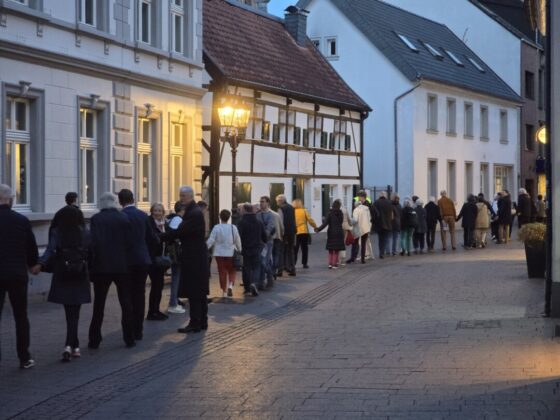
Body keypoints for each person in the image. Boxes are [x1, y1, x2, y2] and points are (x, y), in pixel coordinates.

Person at [34, 205, 90, 362]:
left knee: (68, 311)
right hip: (79, 273)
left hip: (62, 272)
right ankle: (73, 345)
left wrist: (40, 264)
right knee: (75, 312)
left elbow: (50, 250)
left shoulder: (57, 232)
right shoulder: (85, 232)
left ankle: (70, 345)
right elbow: (91, 251)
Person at [88, 192, 136, 349]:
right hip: (122, 266)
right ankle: (129, 337)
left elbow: (92, 243)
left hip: (102, 267)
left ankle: (94, 338)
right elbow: (130, 243)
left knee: (99, 303)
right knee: (126, 302)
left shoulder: (96, 219)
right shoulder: (123, 218)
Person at [0, 184, 38, 368]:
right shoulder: (21, 220)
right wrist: (32, 265)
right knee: (21, 316)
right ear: (10, 199)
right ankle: (24, 357)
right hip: (16, 274)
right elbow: (31, 247)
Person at [163, 186, 210, 333]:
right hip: (197, 254)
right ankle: (202, 321)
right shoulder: (194, 211)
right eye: (180, 195)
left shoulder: (193, 213)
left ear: (190, 196)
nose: (181, 198)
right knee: (200, 290)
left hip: (194, 256)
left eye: (183, 196)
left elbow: (182, 231)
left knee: (195, 290)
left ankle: (195, 322)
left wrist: (161, 237)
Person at [119, 189, 159, 341]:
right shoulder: (143, 216)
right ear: (133, 199)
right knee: (140, 295)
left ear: (120, 201)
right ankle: (138, 330)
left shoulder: (120, 217)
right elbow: (153, 238)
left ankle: (128, 330)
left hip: (126, 262)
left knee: (127, 296)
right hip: (142, 260)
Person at [207, 209, 242, 298]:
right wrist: (239, 249)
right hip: (230, 252)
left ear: (220, 217)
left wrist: (205, 247)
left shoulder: (216, 227)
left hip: (219, 253)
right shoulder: (233, 227)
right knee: (232, 271)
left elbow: (211, 240)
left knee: (222, 272)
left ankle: (224, 291)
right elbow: (237, 240)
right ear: (229, 217)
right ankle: (230, 286)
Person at [238, 203, 267, 296]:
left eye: (241, 210)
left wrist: (239, 247)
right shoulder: (259, 222)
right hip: (256, 248)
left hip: (245, 249)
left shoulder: (241, 222)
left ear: (245, 210)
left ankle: (247, 288)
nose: (240, 211)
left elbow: (239, 236)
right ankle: (254, 283)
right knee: (256, 267)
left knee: (246, 268)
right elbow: (264, 237)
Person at [146, 203, 169, 321]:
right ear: (151, 211)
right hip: (152, 258)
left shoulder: (165, 223)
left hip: (161, 258)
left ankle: (156, 310)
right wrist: (164, 235)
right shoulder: (149, 223)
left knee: (159, 285)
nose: (158, 213)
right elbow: (153, 238)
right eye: (155, 210)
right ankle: (152, 312)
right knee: (156, 285)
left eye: (160, 211)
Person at [167, 202, 186, 314]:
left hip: (175, 253)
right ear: (182, 210)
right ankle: (173, 303)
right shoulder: (178, 220)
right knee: (176, 277)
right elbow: (174, 234)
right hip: (176, 253)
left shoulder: (173, 219)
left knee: (177, 277)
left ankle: (175, 300)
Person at [316, 199, 346, 269]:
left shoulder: (330, 213)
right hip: (339, 232)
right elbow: (341, 222)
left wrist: (318, 229)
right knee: (336, 250)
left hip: (331, 232)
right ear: (339, 206)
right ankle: (334, 264)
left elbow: (325, 223)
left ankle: (330, 264)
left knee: (330, 249)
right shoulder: (341, 213)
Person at [256, 196, 278, 289]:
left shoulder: (271, 215)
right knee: (261, 261)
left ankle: (270, 278)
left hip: (268, 241)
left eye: (263, 202)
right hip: (259, 242)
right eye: (260, 202)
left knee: (264, 262)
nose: (261, 203)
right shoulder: (258, 214)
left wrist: (265, 237)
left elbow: (270, 227)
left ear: (268, 203)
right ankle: (261, 282)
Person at [276, 195, 297, 277]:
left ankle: (280, 270)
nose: (277, 203)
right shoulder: (292, 208)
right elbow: (293, 220)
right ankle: (292, 269)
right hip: (292, 231)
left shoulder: (281, 209)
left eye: (277, 201)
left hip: (284, 232)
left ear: (281, 201)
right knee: (290, 250)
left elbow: (280, 222)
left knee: (280, 251)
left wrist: (280, 232)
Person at [293, 199, 317, 269]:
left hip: (295, 232)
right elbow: (310, 220)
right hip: (304, 231)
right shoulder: (304, 211)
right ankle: (304, 263)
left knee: (295, 249)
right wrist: (315, 227)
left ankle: (293, 263)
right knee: (304, 248)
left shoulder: (292, 211)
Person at [349, 198, 372, 264]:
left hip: (358, 228)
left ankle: (353, 257)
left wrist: (350, 222)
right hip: (366, 228)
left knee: (355, 243)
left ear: (355, 205)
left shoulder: (356, 210)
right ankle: (362, 259)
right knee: (363, 244)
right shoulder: (366, 208)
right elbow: (369, 218)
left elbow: (355, 220)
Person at [373, 191, 393, 259]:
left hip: (379, 223)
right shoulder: (389, 203)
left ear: (380, 195)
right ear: (385, 196)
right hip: (387, 223)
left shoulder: (376, 202)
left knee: (380, 239)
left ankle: (381, 252)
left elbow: (373, 213)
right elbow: (391, 214)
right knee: (385, 239)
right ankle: (383, 252)